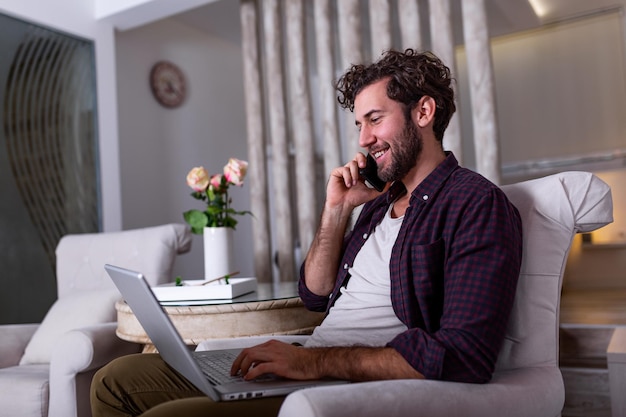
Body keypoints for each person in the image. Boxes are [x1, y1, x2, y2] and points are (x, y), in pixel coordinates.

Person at [90, 49, 523, 417]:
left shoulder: (474, 203)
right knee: (113, 380)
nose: (365, 139)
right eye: (359, 125)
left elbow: (465, 354)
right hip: (310, 358)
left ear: (424, 112)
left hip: (342, 382)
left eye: (374, 119)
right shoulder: (378, 205)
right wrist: (336, 212)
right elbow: (315, 294)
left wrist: (311, 363)